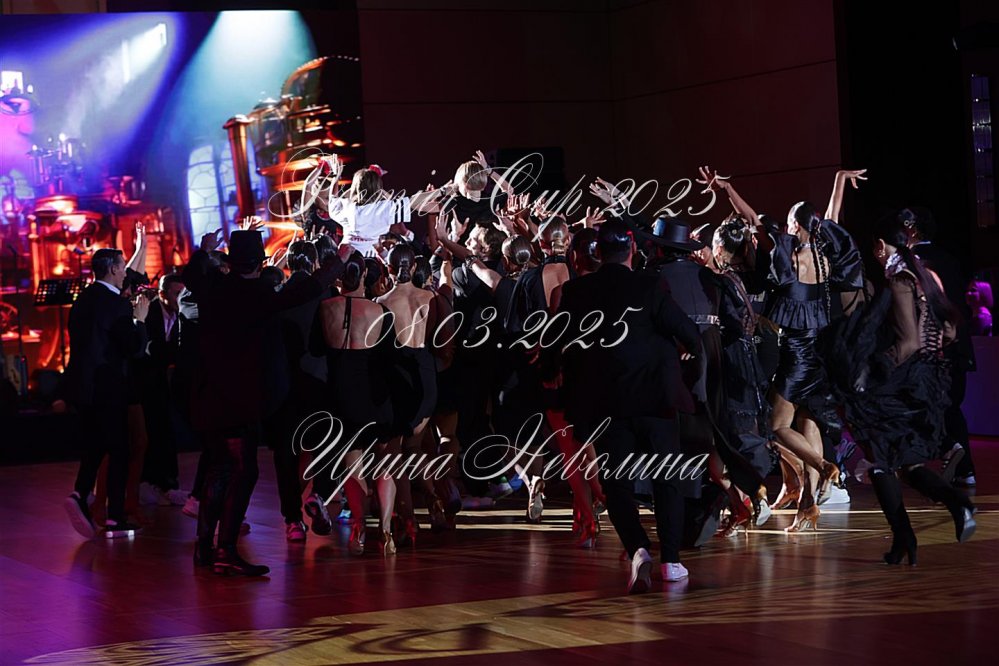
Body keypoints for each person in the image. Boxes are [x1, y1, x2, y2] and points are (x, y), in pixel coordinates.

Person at [551, 219, 703, 592]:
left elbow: (556, 346)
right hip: (655, 399)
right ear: (633, 250)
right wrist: (685, 367)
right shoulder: (650, 285)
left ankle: (637, 549)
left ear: (597, 252)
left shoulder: (576, 291)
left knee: (616, 483)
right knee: (667, 478)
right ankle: (671, 561)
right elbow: (690, 334)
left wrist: (554, 376)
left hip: (606, 404)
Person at [182, 229, 341, 576]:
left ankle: (205, 547)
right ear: (260, 263)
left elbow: (191, 274)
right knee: (244, 471)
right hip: (237, 401)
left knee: (219, 470)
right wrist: (339, 260)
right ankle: (224, 550)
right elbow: (306, 290)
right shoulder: (257, 293)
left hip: (208, 396)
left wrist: (204, 250)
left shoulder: (214, 287)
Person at [822, 212, 976, 564]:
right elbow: (949, 331)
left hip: (906, 384)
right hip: (929, 383)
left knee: (880, 460)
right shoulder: (928, 275)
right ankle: (930, 522)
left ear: (880, 246)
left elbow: (907, 343)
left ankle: (920, 527)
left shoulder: (900, 281)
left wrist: (870, 373)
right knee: (903, 463)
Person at [62, 248, 149, 539]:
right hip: (108, 386)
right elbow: (133, 348)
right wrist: (140, 320)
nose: (125, 272)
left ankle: (80, 494)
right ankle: (114, 517)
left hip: (82, 386)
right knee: (119, 449)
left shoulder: (82, 299)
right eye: (123, 266)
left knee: (96, 444)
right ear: (113, 269)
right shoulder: (117, 304)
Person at [317, 251, 396, 555]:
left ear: (340, 278)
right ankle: (385, 531)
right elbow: (389, 360)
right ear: (364, 275)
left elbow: (315, 349)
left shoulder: (326, 308)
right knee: (385, 463)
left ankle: (359, 530)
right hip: (374, 393)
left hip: (340, 393)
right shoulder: (380, 312)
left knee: (353, 466)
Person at [905, 207, 978, 487]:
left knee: (923, 406)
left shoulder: (915, 262)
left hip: (934, 349)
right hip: (958, 347)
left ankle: (948, 457)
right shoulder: (949, 259)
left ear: (911, 229)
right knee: (952, 409)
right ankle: (963, 468)